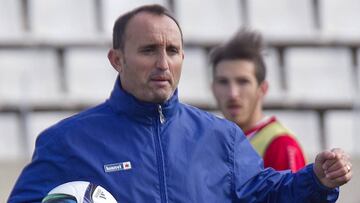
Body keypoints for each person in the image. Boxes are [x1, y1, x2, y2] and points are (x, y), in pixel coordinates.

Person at [9, 4, 352, 203]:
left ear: (183, 57)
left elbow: (269, 195)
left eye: (172, 51)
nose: (163, 63)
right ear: (116, 59)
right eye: (148, 50)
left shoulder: (223, 138)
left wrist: (317, 181)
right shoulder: (67, 142)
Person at [210, 29, 306, 172]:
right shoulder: (210, 144)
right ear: (213, 88)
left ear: (262, 89)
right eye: (223, 82)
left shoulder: (281, 145)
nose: (233, 94)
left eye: (243, 82)